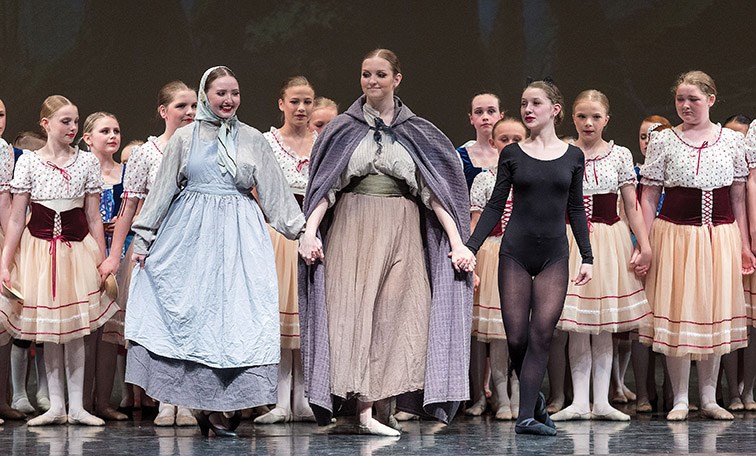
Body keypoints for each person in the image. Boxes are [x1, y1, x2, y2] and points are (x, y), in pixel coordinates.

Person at [298, 48, 474, 437]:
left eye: (380, 74)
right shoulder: (341, 129)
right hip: (353, 225)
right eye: (365, 75)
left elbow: (435, 193)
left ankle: (383, 404)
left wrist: (457, 242)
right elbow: (326, 188)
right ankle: (363, 412)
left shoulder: (419, 131)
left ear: (397, 78)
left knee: (398, 313)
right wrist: (309, 231)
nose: (372, 82)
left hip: (402, 226)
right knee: (356, 312)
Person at [124, 66, 305, 437]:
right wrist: (142, 239)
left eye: (234, 93)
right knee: (194, 315)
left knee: (235, 318)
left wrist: (305, 233)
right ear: (207, 95)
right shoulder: (185, 138)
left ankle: (223, 403)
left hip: (240, 236)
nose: (229, 100)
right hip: (191, 235)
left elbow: (275, 194)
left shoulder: (253, 139)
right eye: (221, 93)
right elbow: (161, 193)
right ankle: (195, 402)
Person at [464, 79, 593, 436]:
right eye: (523, 103)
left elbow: (576, 209)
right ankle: (534, 402)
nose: (527, 110)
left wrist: (588, 256)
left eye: (535, 103)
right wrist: (470, 248)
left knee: (541, 335)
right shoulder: (513, 154)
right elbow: (494, 206)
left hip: (554, 254)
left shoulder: (572, 156)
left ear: (554, 110)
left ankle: (525, 417)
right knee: (517, 337)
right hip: (515, 253)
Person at [639, 70, 753, 421]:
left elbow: (737, 197)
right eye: (680, 100)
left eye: (694, 99)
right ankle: (679, 398)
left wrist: (745, 244)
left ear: (711, 100)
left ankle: (708, 398)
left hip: (718, 236)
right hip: (674, 236)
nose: (686, 106)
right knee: (678, 314)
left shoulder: (732, 141)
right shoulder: (663, 140)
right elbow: (649, 195)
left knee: (712, 313)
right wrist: (643, 243)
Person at [0, 95, 117, 426]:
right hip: (39, 252)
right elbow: (14, 218)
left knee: (76, 330)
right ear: (45, 124)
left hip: (76, 252)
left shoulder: (86, 162)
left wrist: (104, 259)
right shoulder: (29, 163)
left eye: (76, 122)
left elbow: (94, 216)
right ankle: (56, 405)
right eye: (65, 121)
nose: (72, 127)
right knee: (50, 333)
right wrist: (5, 262)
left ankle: (77, 406)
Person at [99, 80, 198, 427]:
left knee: (189, 322)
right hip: (153, 248)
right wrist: (114, 255)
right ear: (163, 111)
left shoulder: (203, 147)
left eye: (193, 106)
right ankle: (165, 398)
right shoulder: (145, 154)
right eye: (181, 106)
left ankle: (186, 401)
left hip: (192, 245)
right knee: (158, 325)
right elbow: (128, 208)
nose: (189, 112)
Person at [551, 89, 652, 422]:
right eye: (581, 116)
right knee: (578, 325)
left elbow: (632, 204)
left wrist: (644, 243)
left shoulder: (619, 154)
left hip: (609, 239)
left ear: (606, 119)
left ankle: (602, 400)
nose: (588, 123)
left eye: (595, 116)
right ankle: (579, 401)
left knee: (605, 324)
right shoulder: (562, 152)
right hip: (571, 241)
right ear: (571, 118)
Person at [255, 76, 317, 424]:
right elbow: (254, 187)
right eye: (294, 101)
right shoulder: (267, 142)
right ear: (281, 104)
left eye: (307, 101)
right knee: (279, 315)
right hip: (277, 234)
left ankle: (304, 398)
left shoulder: (322, 143)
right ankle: (279, 400)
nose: (301, 108)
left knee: (305, 316)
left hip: (312, 233)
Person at [468, 117, 526, 420]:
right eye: (505, 139)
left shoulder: (534, 175)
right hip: (494, 255)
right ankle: (502, 398)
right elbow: (476, 223)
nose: (511, 145)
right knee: (498, 335)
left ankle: (520, 394)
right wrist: (472, 260)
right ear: (494, 143)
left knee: (522, 333)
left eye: (518, 138)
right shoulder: (485, 179)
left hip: (525, 256)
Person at [80, 112, 127, 421]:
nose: (112, 136)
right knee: (87, 330)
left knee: (111, 330)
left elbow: (139, 207)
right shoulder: (81, 169)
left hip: (119, 255)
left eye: (116, 130)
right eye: (105, 131)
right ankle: (82, 401)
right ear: (88, 138)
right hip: (86, 254)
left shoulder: (127, 172)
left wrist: (124, 223)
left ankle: (105, 401)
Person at [631, 114, 673, 414]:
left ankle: (672, 390)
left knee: (670, 320)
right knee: (642, 325)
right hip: (638, 249)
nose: (651, 142)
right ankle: (643, 391)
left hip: (672, 247)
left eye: (657, 135)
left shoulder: (676, 174)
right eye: (645, 136)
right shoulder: (632, 173)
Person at [0, 99, 27, 425]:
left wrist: (13, 243)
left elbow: (4, 201)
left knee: (5, 324)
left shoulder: (5, 150)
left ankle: (3, 398)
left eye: (3, 114)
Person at [457, 93, 505, 189]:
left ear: (501, 116)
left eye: (491, 111)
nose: (485, 117)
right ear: (471, 118)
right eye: (479, 112)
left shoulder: (514, 153)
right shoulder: (460, 157)